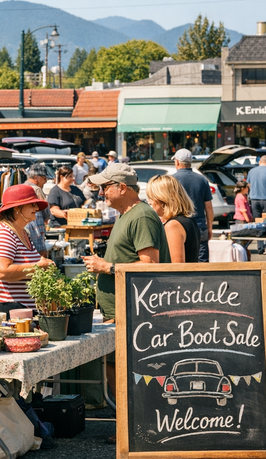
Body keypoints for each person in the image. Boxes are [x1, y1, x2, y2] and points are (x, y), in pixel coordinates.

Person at [82, 164, 170, 420]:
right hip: (121, 309)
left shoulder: (141, 216)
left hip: (134, 310)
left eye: (105, 187)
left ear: (122, 187)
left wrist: (107, 266)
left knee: (128, 368)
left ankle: (135, 425)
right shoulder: (125, 214)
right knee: (115, 364)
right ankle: (130, 423)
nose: (101, 193)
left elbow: (150, 264)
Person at [0, 184, 55, 309]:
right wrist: (38, 267)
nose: (36, 208)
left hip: (18, 309)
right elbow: (2, 271)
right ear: (17, 208)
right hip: (4, 309)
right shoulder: (3, 231)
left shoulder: (22, 232)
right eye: (32, 204)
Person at [146, 174, 201, 263]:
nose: (149, 202)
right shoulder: (186, 219)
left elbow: (177, 266)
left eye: (151, 197)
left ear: (163, 199)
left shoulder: (173, 225)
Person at [172, 148, 213, 262]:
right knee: (202, 261)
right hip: (199, 225)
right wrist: (209, 227)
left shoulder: (172, 180)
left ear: (177, 162)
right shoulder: (202, 179)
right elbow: (208, 207)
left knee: (181, 260)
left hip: (178, 225)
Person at [24, 163, 52, 256]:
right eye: (44, 178)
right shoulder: (36, 190)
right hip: (35, 227)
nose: (45, 181)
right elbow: (46, 212)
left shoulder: (21, 187)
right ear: (36, 178)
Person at [233, 180, 252, 254]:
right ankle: (241, 254)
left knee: (243, 239)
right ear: (243, 188)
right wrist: (248, 219)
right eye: (247, 188)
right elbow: (243, 209)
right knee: (241, 239)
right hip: (241, 219)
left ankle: (243, 253)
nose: (248, 189)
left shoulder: (242, 196)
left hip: (243, 219)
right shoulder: (240, 197)